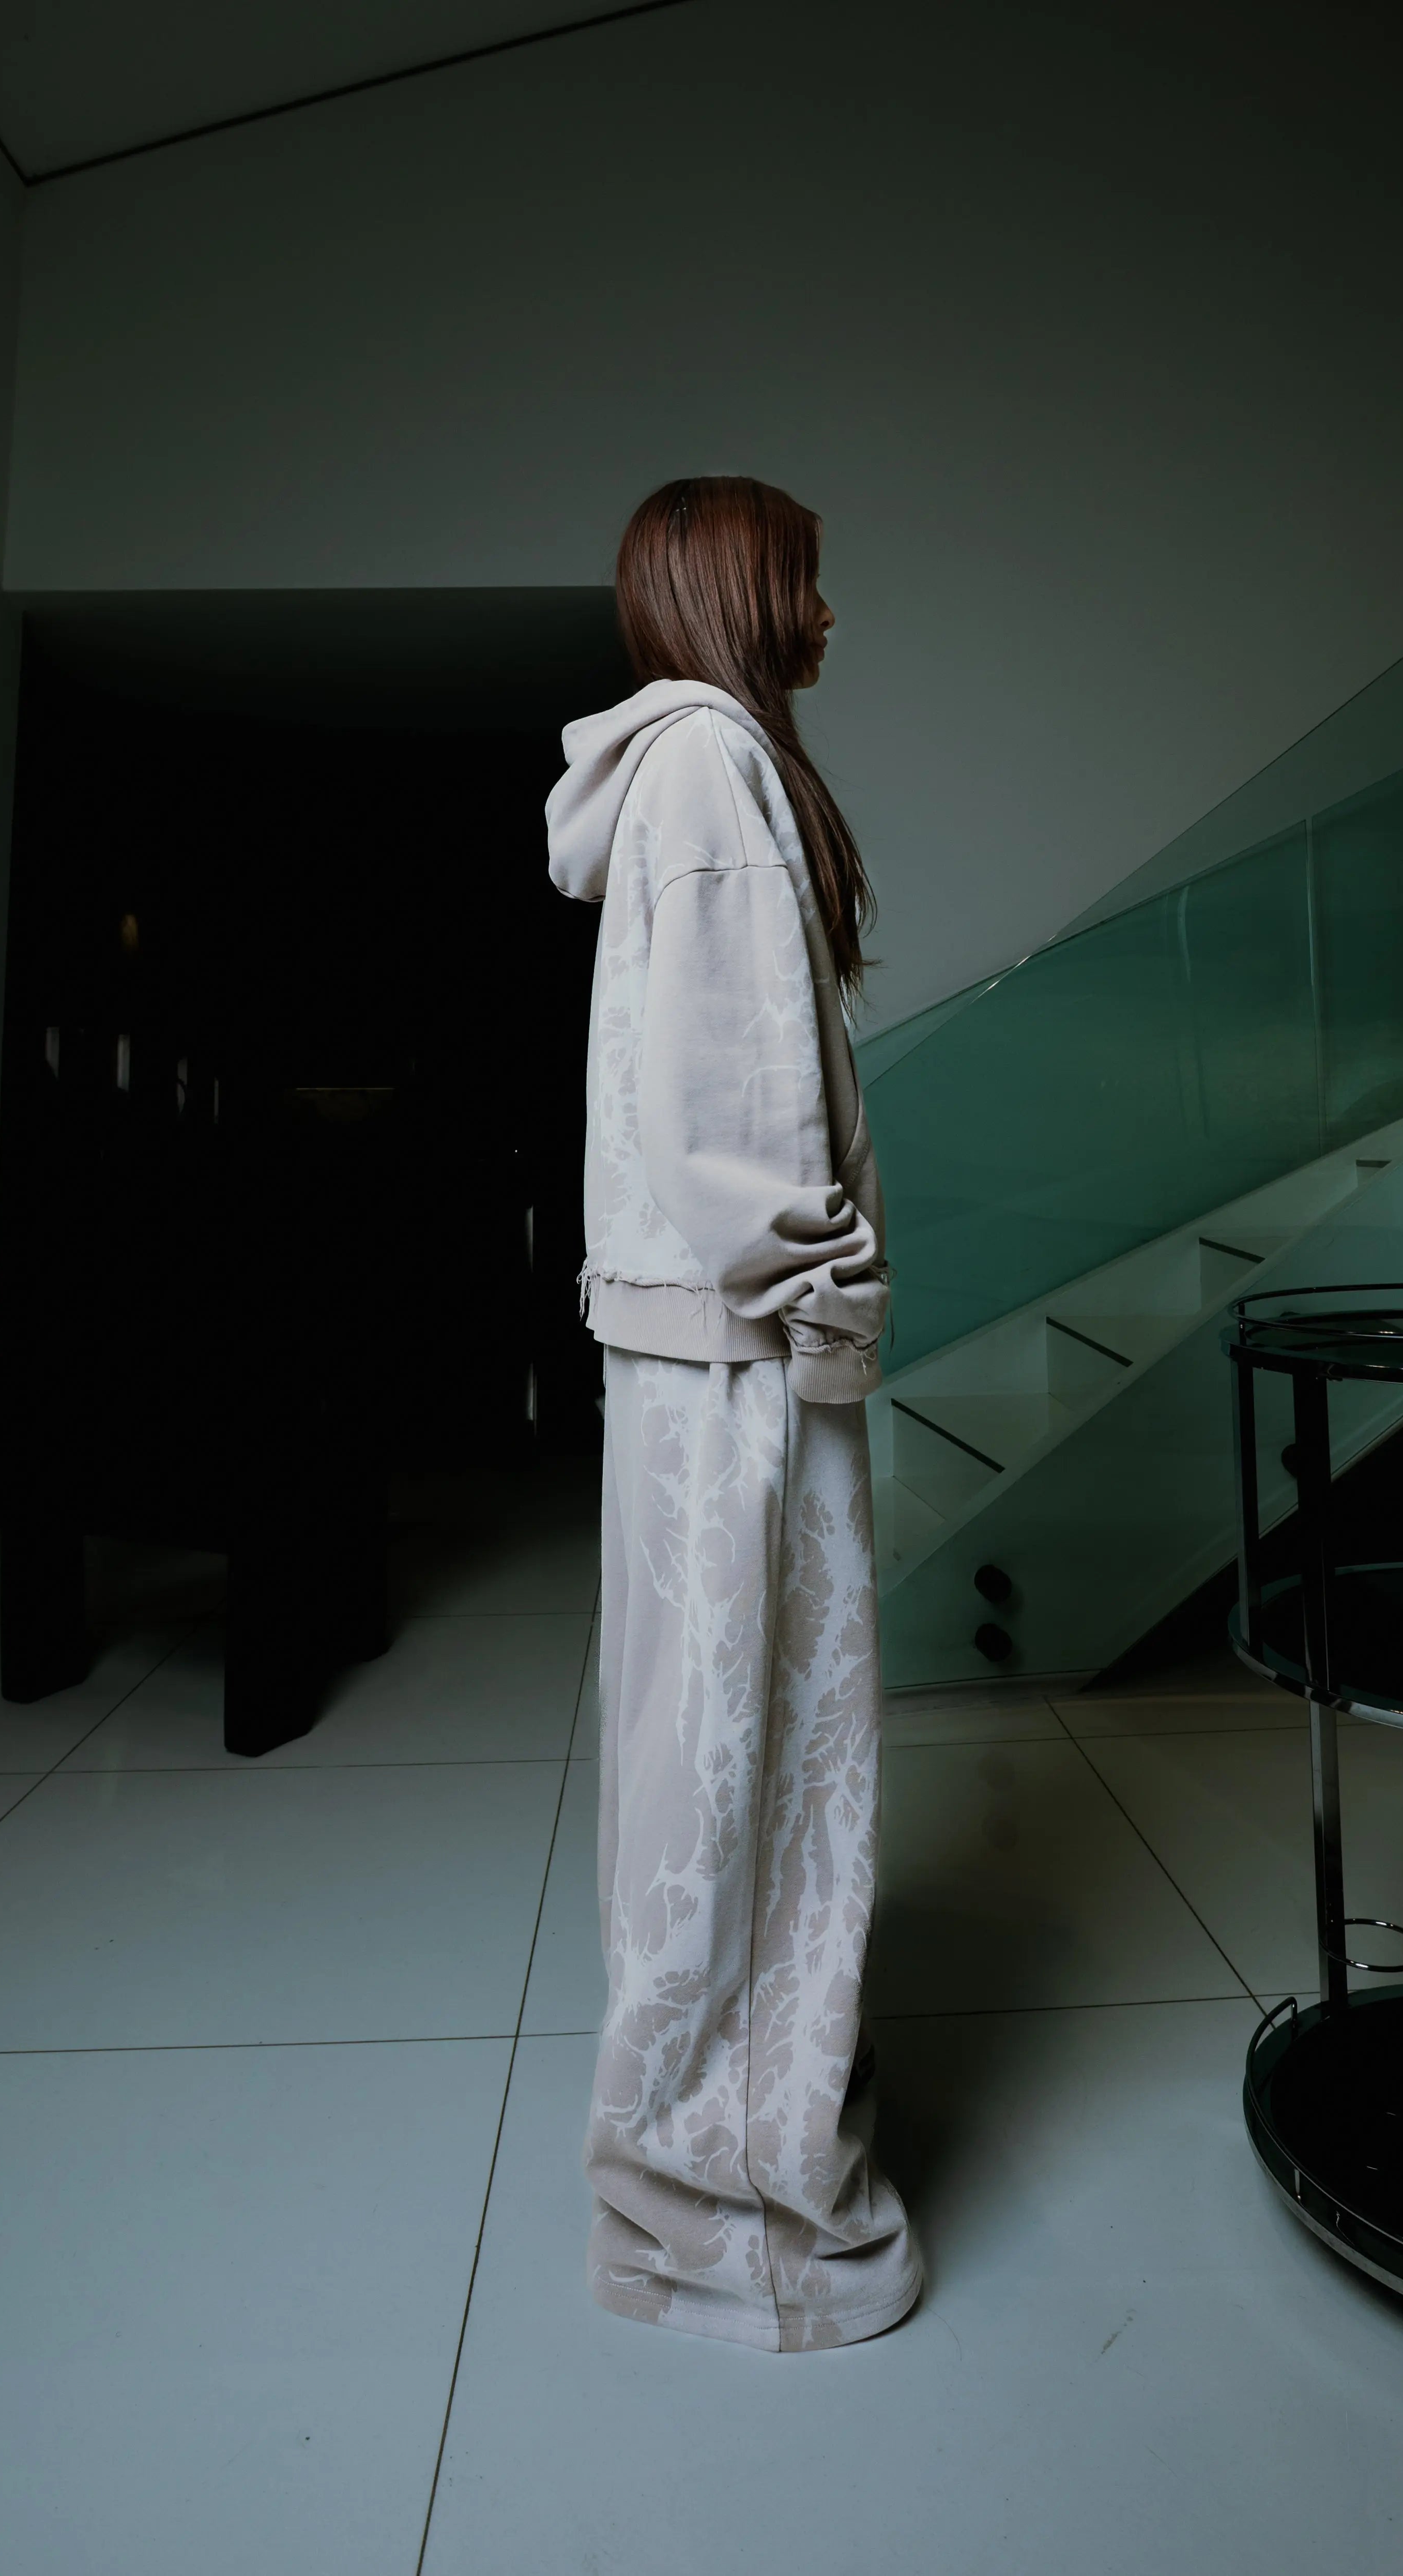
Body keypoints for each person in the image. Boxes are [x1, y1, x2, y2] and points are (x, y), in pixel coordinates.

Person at [544, 476, 922, 2353]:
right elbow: (734, 1116)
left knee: (726, 1754)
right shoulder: (707, 763)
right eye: (807, 582)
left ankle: (717, 2152)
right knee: (747, 1759)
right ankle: (733, 2209)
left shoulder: (694, 768)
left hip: (708, 1347)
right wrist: (826, 1304)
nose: (828, 615)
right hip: (739, 1352)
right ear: (735, 592)